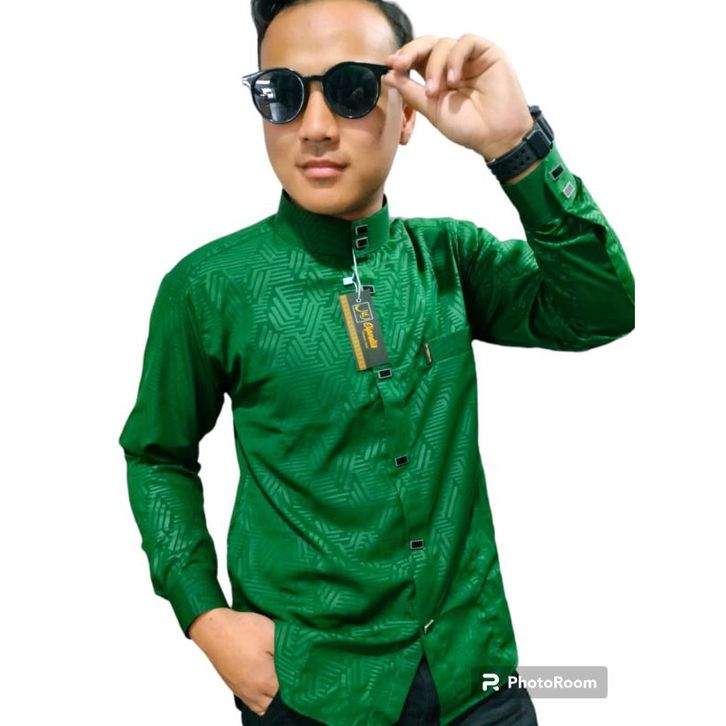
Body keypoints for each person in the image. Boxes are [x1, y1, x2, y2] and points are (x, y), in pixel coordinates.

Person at [118, 0, 635, 724]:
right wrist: (204, 616)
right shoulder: (208, 289)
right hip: (311, 687)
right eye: (282, 93)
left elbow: (600, 308)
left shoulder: (451, 260)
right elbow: (157, 455)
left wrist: (517, 147)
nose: (316, 127)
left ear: (408, 114)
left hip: (476, 676)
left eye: (353, 89)